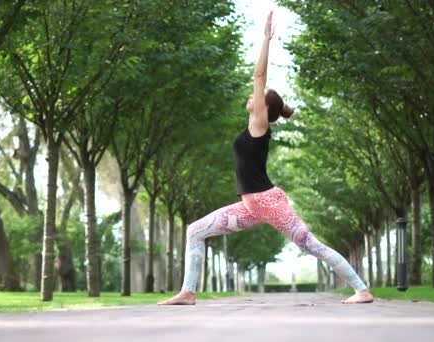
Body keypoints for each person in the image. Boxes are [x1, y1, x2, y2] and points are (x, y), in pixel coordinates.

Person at [158, 11, 373, 305]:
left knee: (311, 244)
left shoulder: (260, 124)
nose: (251, 95)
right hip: (250, 207)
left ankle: (362, 290)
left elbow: (259, 75)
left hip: (270, 204)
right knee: (195, 231)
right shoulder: (253, 127)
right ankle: (188, 292)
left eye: (257, 96)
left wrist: (265, 39)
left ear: (263, 106)